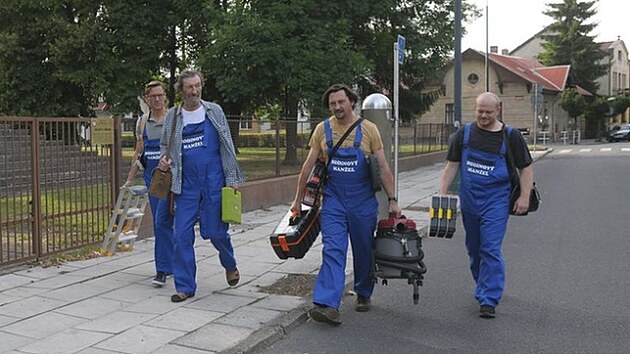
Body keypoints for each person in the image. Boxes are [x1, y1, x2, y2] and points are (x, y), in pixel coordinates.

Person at [290, 84, 401, 325]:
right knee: (333, 249)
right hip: (334, 201)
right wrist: (297, 200)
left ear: (352, 101)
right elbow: (308, 167)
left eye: (341, 102)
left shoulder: (369, 130)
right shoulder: (322, 130)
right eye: (333, 104)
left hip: (362, 202)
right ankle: (328, 304)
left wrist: (393, 200)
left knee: (362, 251)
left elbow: (383, 167)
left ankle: (363, 292)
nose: (337, 107)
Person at [438, 92, 534, 319]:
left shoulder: (510, 136)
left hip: (496, 200)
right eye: (480, 111)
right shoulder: (464, 134)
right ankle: (482, 282)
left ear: (498, 110)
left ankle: (489, 299)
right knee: (474, 247)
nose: (483, 115)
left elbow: (526, 168)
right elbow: (451, 165)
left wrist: (524, 196)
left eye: (488, 112)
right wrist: (442, 192)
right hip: (469, 200)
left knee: (489, 248)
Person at [157, 69, 245, 303]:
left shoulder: (214, 111)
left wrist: (232, 178)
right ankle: (185, 286)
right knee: (181, 235)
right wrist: (164, 161)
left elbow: (226, 146)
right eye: (189, 87)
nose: (194, 90)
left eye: (197, 86)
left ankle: (230, 263)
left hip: (214, 181)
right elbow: (164, 146)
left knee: (216, 232)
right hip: (185, 185)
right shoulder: (174, 117)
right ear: (182, 90)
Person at [124, 80, 174, 287]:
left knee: (175, 222)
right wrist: (129, 179)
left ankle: (173, 264)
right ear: (147, 99)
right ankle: (162, 269)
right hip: (154, 180)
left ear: (165, 97)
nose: (157, 99)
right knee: (160, 222)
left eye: (160, 95)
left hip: (174, 176)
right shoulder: (142, 122)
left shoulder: (175, 118)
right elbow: (139, 153)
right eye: (153, 96)